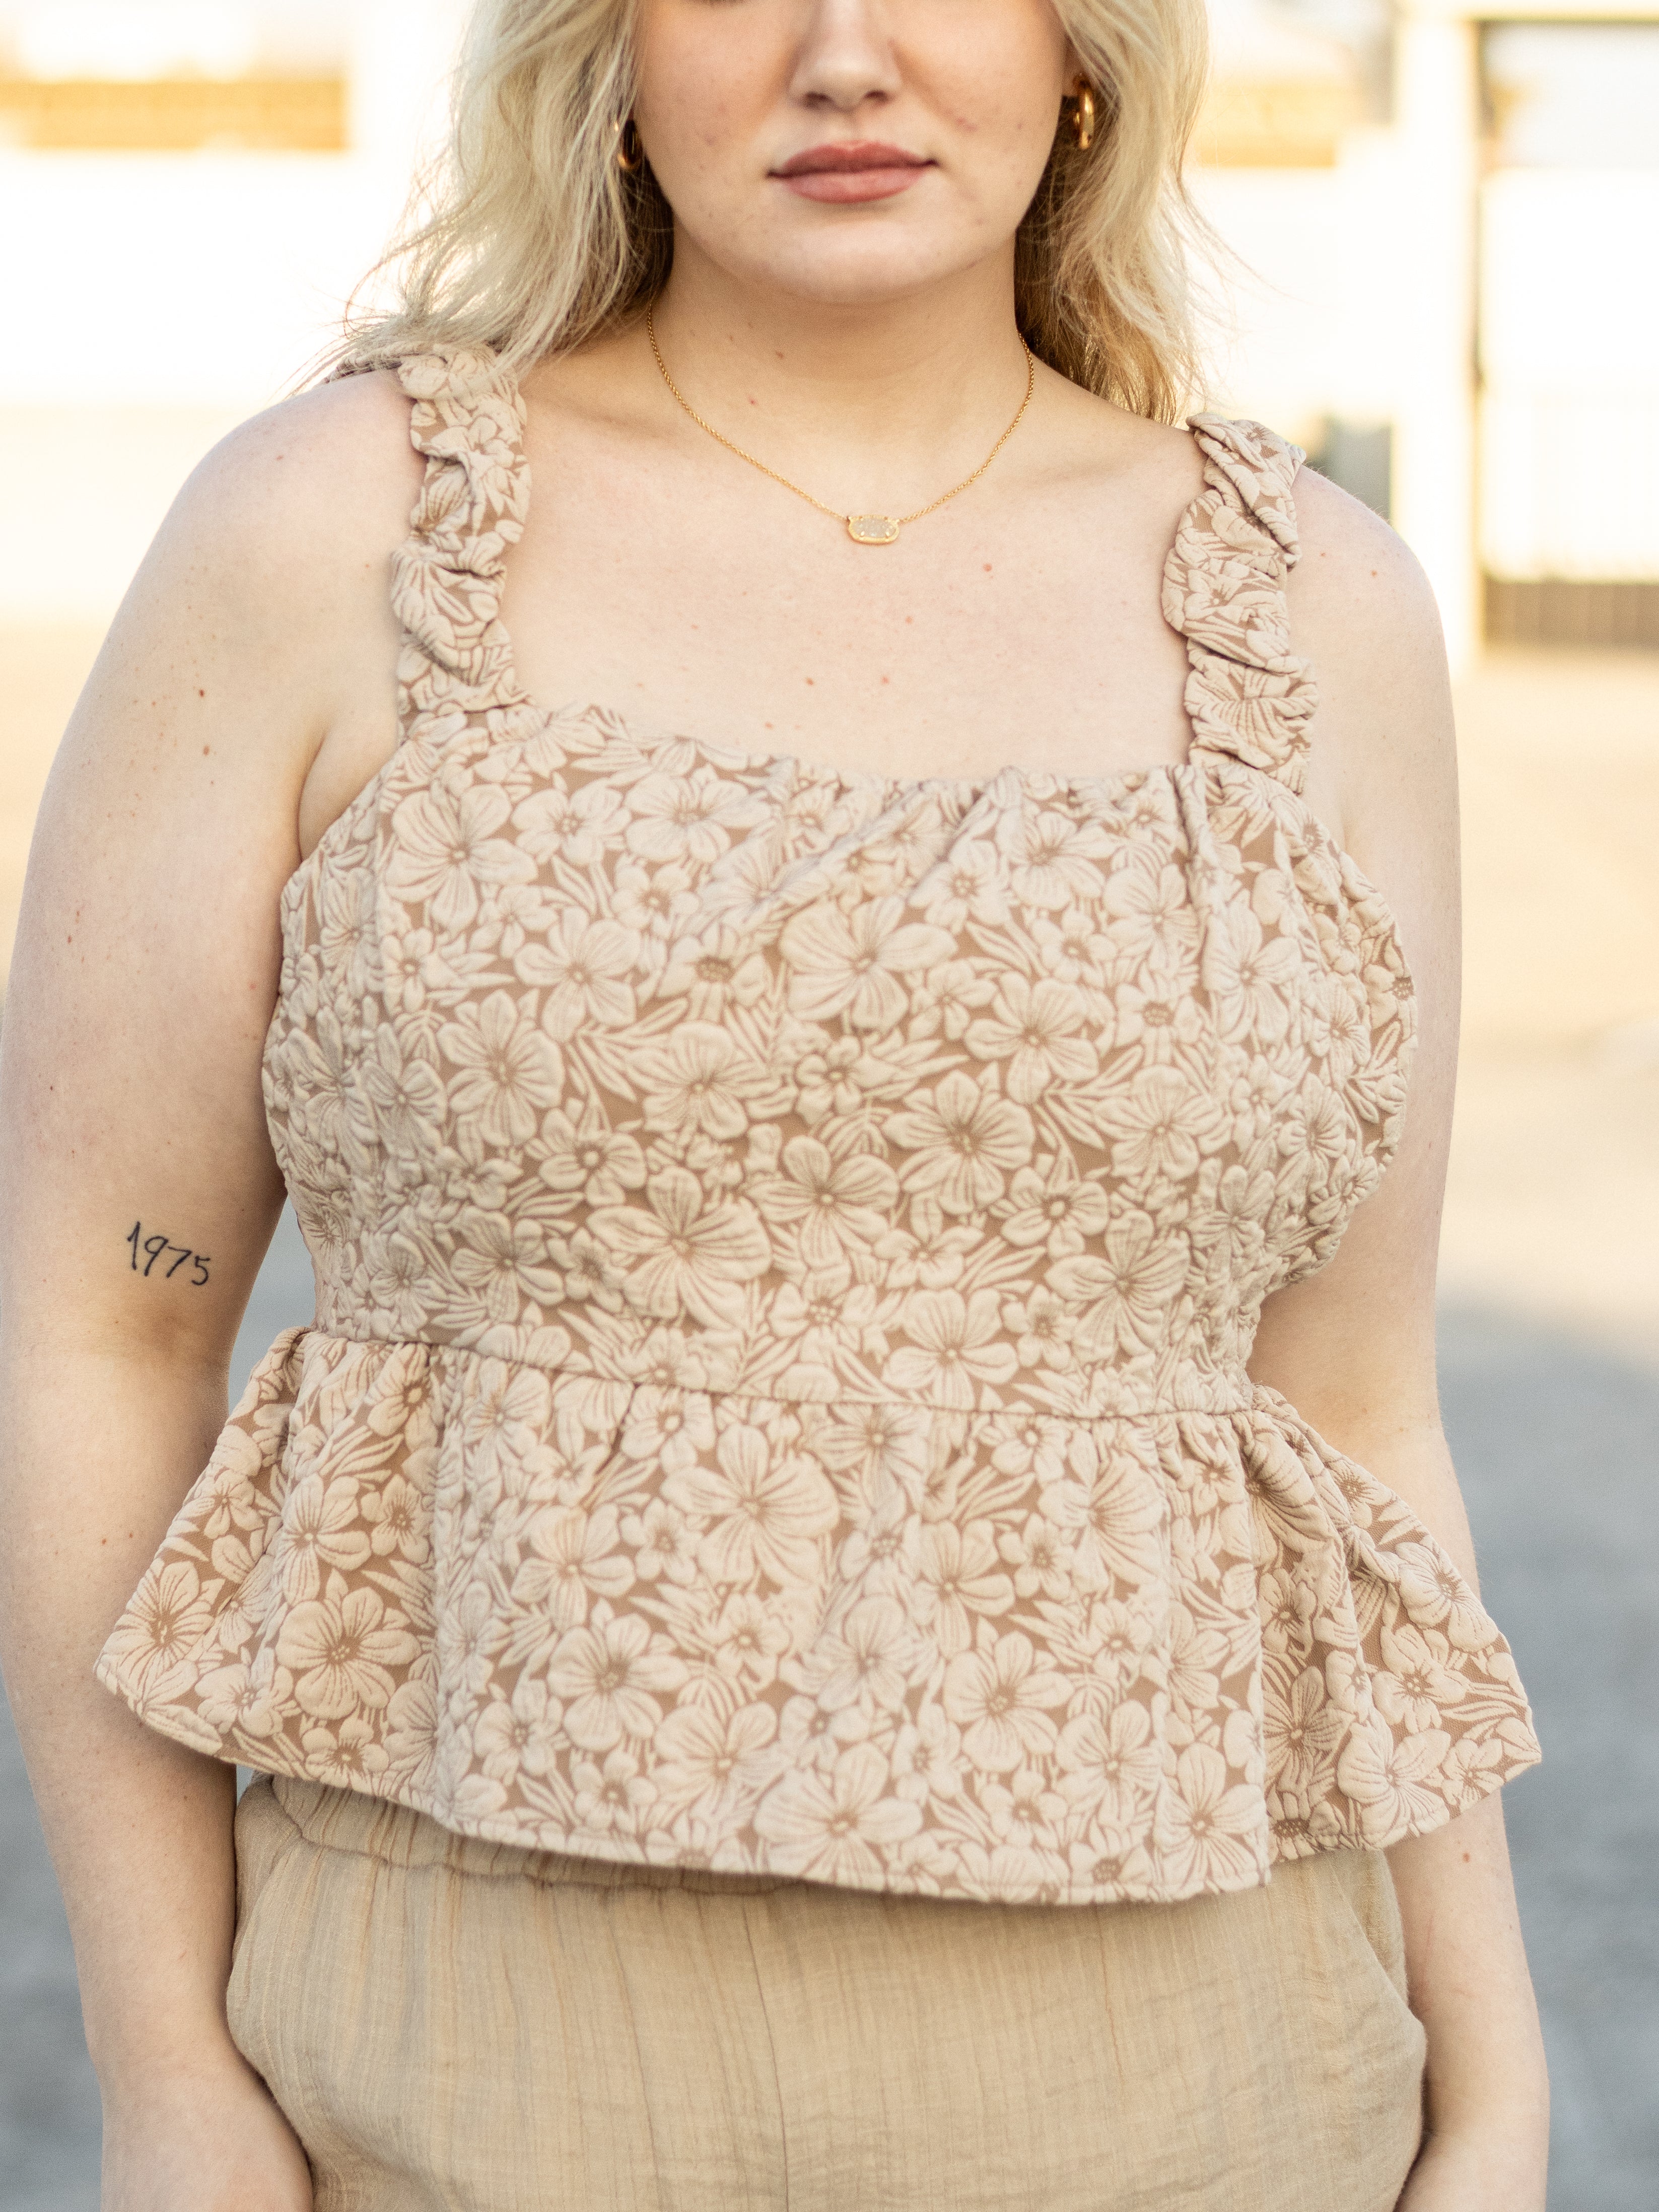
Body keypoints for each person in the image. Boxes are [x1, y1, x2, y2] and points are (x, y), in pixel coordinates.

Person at [0, 0, 1549, 2205]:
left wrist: (1487, 2099)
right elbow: (103, 1325)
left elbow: (1347, 1409)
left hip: (1220, 2085)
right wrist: (161, 2072)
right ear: (604, 49)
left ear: (1082, 49)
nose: (844, 52)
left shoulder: (1312, 610)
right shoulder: (325, 530)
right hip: (460, 2071)